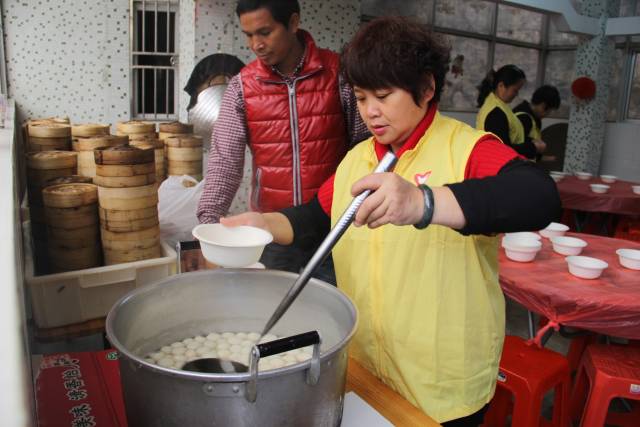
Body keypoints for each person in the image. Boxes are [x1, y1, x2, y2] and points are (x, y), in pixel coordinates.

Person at [221, 17, 560, 425]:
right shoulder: (358, 158)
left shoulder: (465, 149)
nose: (370, 112)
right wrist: (263, 224)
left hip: (442, 385)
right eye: (361, 97)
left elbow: (539, 196)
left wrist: (422, 202)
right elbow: (317, 216)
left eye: (383, 95)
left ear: (427, 87)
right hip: (368, 368)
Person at [197, 0, 369, 282]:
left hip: (333, 226)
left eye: (265, 32)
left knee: (331, 302)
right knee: (271, 303)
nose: (256, 44)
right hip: (271, 228)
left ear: (293, 23)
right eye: (248, 35)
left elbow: (364, 148)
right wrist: (209, 223)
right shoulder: (242, 87)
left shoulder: (338, 74)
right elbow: (225, 161)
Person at [476, 65, 546, 160]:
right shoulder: (496, 112)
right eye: (515, 90)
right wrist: (533, 147)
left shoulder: (499, 105)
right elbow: (502, 149)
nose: (516, 94)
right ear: (501, 86)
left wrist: (531, 142)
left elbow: (512, 137)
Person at [513, 85, 561, 162]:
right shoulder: (523, 118)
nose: (547, 115)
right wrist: (535, 146)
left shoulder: (535, 118)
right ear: (543, 106)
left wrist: (542, 157)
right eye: (548, 111)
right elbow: (515, 147)